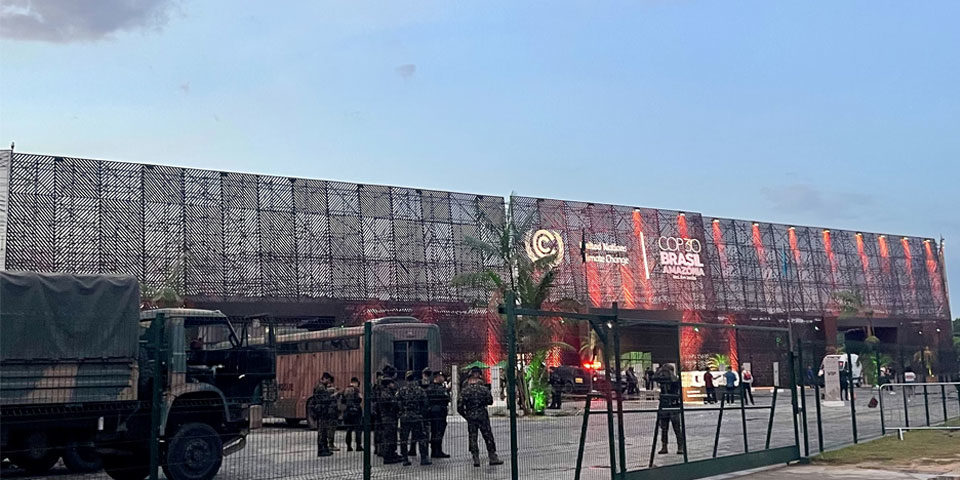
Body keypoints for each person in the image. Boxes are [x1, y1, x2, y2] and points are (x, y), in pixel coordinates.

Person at [458, 367, 503, 467]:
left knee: (473, 437)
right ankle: (492, 457)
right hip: (483, 415)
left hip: (471, 416)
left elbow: (459, 406)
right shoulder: (484, 389)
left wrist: (466, 416)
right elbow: (490, 401)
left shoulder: (465, 390)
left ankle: (476, 458)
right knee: (488, 436)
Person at [397, 371, 431, 466]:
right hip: (417, 417)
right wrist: (421, 414)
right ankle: (423, 458)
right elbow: (425, 404)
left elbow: (397, 403)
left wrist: (401, 412)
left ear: (406, 379)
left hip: (405, 418)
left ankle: (405, 458)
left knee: (404, 438)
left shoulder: (401, 390)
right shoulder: (420, 390)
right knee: (421, 437)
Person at [654, 364, 684, 455]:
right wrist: (660, 370)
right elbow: (654, 377)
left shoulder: (675, 380)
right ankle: (664, 446)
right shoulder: (663, 381)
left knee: (676, 428)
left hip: (673, 406)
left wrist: (669, 372)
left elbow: (674, 380)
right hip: (664, 406)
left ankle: (680, 446)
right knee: (664, 428)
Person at [377, 366, 404, 464]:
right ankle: (388, 456)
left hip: (392, 417)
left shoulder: (388, 392)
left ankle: (392, 453)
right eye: (392, 383)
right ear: (388, 384)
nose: (394, 384)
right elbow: (393, 403)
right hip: (388, 418)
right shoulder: (385, 393)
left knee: (392, 436)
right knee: (389, 437)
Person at [310, 372, 337, 457]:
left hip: (323, 411)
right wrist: (333, 395)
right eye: (328, 380)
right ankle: (321, 450)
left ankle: (325, 449)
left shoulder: (322, 387)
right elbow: (325, 399)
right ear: (324, 378)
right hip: (322, 412)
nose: (329, 382)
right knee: (322, 431)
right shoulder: (321, 387)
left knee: (324, 431)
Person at [425, 371, 451, 458]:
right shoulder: (439, 388)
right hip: (439, 413)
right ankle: (437, 451)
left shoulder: (429, 388)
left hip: (432, 412)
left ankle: (434, 450)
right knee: (438, 432)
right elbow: (447, 398)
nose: (443, 378)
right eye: (442, 376)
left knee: (434, 432)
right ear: (438, 377)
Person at [341, 377, 363, 452]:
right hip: (356, 411)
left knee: (349, 429)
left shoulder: (345, 390)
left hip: (347, 412)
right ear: (356, 382)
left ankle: (349, 446)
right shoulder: (356, 390)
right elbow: (360, 399)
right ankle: (358, 446)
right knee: (358, 429)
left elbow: (342, 401)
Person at [371, 371, 383, 456]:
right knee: (378, 430)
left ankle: (378, 448)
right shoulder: (376, 387)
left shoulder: (376, 387)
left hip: (378, 411)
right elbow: (373, 399)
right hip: (379, 412)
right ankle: (378, 448)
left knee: (378, 430)